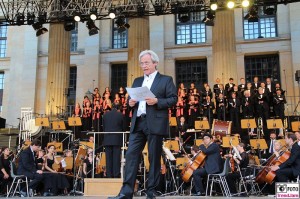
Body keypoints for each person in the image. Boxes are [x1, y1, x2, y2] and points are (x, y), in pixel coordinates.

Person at [108, 50, 177, 199]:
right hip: (138, 122)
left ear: (155, 63)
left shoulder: (166, 80)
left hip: (155, 122)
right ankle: (126, 192)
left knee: (153, 157)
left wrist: (158, 101)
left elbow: (173, 99)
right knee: (131, 155)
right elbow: (131, 101)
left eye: (146, 63)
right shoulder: (137, 81)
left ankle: (151, 192)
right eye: (142, 63)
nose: (143, 66)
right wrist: (130, 102)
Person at [103, 103, 125, 178]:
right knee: (116, 158)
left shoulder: (105, 115)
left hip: (107, 138)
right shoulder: (120, 115)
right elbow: (123, 127)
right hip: (116, 139)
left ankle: (109, 175)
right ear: (118, 108)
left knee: (108, 158)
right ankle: (116, 175)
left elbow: (104, 126)